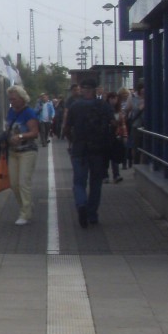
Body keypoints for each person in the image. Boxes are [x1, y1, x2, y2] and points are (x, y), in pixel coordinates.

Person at [65, 77, 115, 227]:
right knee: (96, 183)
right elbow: (113, 123)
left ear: (82, 90)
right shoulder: (103, 106)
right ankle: (92, 214)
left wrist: (72, 141)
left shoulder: (75, 106)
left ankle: (81, 205)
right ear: (94, 90)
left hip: (79, 149)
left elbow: (66, 128)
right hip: (99, 150)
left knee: (79, 182)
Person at [4, 85, 39, 226]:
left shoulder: (29, 113)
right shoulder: (11, 111)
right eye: (10, 99)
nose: (11, 101)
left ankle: (25, 213)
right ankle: (27, 205)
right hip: (13, 152)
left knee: (23, 182)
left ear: (21, 98)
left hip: (27, 152)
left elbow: (35, 132)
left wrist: (20, 136)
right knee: (13, 184)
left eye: (14, 98)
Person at [106, 91, 126, 183]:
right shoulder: (105, 109)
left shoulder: (119, 111)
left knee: (115, 156)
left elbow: (123, 124)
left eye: (115, 98)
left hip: (116, 135)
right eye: (111, 98)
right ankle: (105, 175)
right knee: (105, 156)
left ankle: (116, 175)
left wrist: (124, 135)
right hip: (106, 135)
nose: (113, 100)